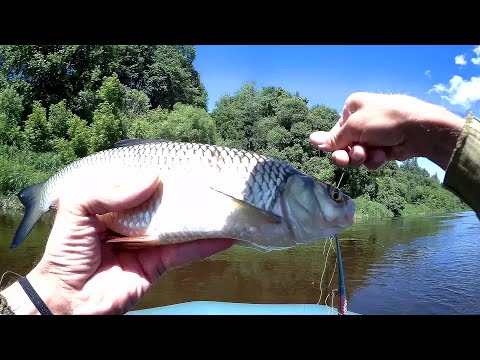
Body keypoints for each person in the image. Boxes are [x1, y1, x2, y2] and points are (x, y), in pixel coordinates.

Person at [1, 91, 478, 315]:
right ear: (298, 192)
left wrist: (48, 300)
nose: (344, 207)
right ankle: (41, 197)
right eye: (334, 195)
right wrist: (53, 289)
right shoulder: (275, 202)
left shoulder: (277, 199)